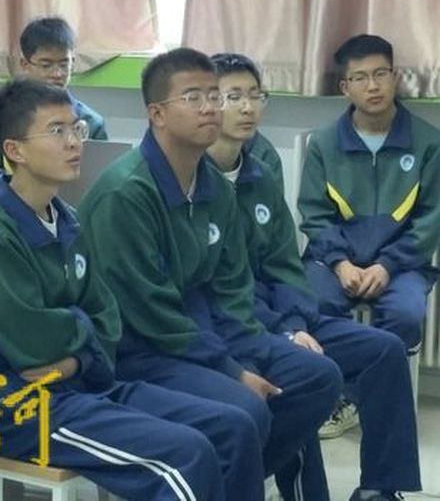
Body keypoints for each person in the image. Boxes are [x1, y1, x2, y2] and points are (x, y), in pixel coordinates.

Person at [0, 77, 265, 500]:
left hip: (84, 385)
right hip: (23, 408)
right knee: (186, 454)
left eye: (76, 128)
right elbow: (33, 346)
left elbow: (107, 319)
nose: (74, 142)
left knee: (234, 426)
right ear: (15, 150)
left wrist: (77, 354)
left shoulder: (67, 219)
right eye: (56, 131)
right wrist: (85, 334)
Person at [78, 48, 342, 501]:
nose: (210, 108)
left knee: (319, 377)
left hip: (205, 335)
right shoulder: (125, 193)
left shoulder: (214, 185)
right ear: (157, 114)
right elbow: (149, 312)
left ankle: (218, 483)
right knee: (245, 410)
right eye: (193, 97)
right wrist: (231, 370)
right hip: (138, 350)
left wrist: (247, 353)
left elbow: (232, 288)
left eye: (213, 96)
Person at [208, 52, 420, 501]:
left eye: (255, 96)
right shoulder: (191, 179)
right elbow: (217, 289)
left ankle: (380, 490)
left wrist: (295, 322)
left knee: (383, 350)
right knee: (309, 373)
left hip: (278, 315)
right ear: (206, 103)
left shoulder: (260, 172)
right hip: (236, 324)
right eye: (233, 96)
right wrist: (285, 331)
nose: (247, 107)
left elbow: (285, 263)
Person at [299, 34, 439, 353]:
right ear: (345, 87)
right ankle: (338, 381)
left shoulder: (429, 142)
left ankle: (382, 381)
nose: (373, 86)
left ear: (394, 77)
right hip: (334, 263)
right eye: (360, 78)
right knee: (314, 306)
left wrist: (387, 265)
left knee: (406, 315)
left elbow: (431, 220)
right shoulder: (324, 144)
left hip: (402, 266)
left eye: (380, 74)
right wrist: (340, 264)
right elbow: (315, 216)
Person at [0, 16, 108, 140]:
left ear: (73, 62)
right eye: (46, 65)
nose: (57, 74)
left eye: (64, 64)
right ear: (25, 64)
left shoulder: (91, 124)